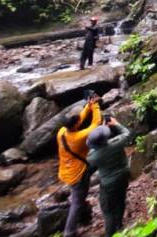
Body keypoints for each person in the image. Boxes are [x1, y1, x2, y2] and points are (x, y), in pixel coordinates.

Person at [58, 94, 102, 237]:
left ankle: (85, 217)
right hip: (78, 174)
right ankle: (69, 232)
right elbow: (96, 123)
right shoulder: (79, 137)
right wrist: (95, 105)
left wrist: (88, 106)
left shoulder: (62, 132)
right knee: (76, 202)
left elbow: (79, 120)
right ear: (75, 125)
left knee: (79, 198)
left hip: (67, 171)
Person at [87, 117, 131, 237]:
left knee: (108, 210)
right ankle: (119, 225)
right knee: (121, 200)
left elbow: (88, 165)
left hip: (108, 183)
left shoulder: (93, 157)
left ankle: (109, 233)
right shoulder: (116, 143)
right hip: (123, 175)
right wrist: (116, 124)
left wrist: (101, 129)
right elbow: (127, 134)